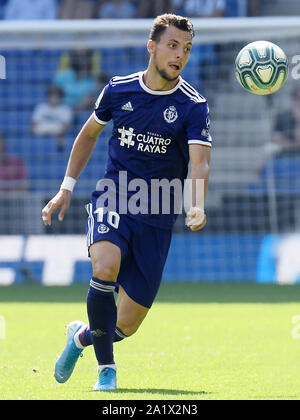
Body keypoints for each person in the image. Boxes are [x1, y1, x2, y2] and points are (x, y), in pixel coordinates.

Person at [42, 13, 211, 391]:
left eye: (186, 49)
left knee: (126, 324)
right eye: (172, 45)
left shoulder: (193, 105)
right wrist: (67, 187)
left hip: (159, 213)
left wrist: (196, 203)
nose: (179, 54)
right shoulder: (119, 90)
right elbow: (87, 136)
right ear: (151, 46)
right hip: (114, 197)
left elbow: (200, 162)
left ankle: (81, 338)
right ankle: (107, 370)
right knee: (105, 266)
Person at [32, 85, 73, 152]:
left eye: (56, 96)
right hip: (41, 138)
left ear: (60, 97)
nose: (54, 99)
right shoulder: (41, 108)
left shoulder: (65, 109)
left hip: (57, 138)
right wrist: (54, 130)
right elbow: (33, 128)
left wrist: (45, 130)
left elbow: (65, 128)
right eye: (51, 96)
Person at [272, 88, 300, 156]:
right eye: (297, 98)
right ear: (293, 99)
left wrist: (298, 120)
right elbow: (277, 140)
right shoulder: (281, 116)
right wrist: (294, 145)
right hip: (285, 154)